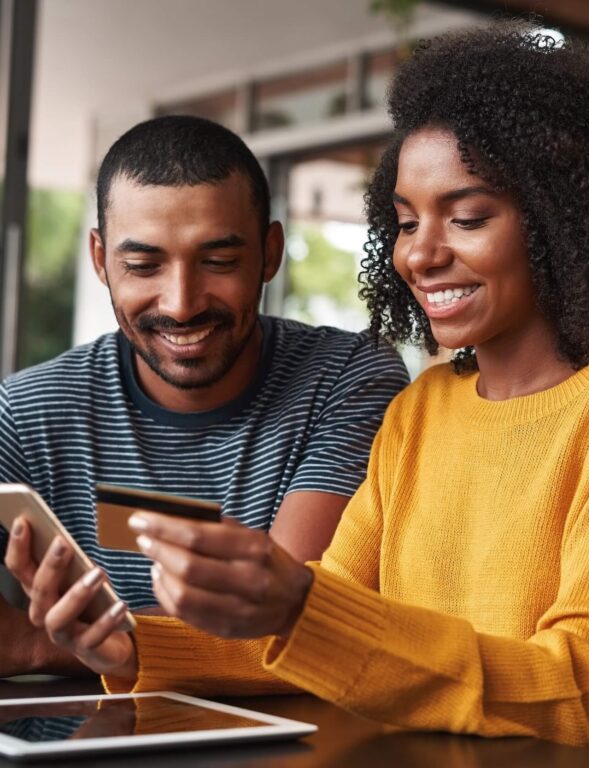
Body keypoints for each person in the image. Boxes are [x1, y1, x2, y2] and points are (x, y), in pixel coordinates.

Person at [7, 24, 589, 767]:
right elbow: (318, 623)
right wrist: (135, 645)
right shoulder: (423, 408)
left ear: (561, 221)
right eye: (404, 222)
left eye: (466, 218)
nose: (421, 254)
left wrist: (301, 607)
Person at [0, 115, 409, 678]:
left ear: (270, 253)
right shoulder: (26, 413)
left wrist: (40, 647)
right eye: (143, 265)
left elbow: (287, 625)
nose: (182, 303)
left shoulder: (345, 378)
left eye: (219, 262)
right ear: (100, 260)